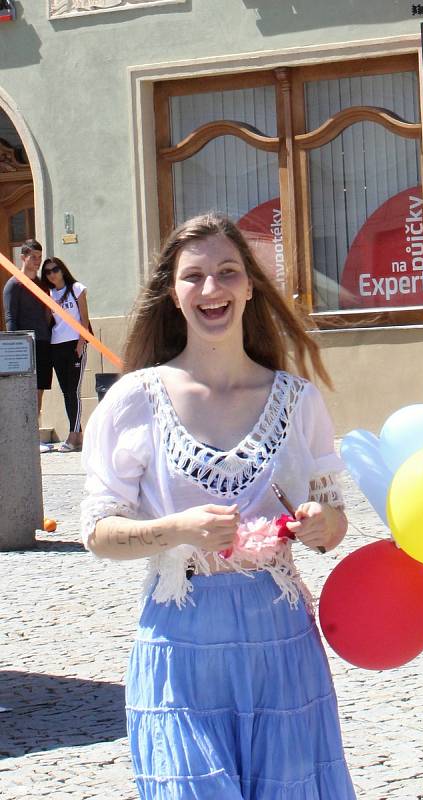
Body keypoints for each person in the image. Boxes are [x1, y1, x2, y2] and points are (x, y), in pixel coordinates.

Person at [81, 213, 356, 799]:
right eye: (194, 277)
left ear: (250, 286)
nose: (212, 290)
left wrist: (318, 524)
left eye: (227, 273)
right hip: (180, 649)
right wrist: (175, 529)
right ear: (173, 293)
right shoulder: (136, 399)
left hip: (280, 650)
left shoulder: (296, 400)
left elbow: (336, 525)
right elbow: (97, 533)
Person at [2, 239, 52, 452]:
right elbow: (11, 317)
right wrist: (17, 346)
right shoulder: (14, 285)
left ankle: (34, 435)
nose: (37, 262)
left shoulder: (42, 284)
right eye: (33, 257)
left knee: (39, 391)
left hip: (43, 342)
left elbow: (48, 312)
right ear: (23, 257)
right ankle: (24, 436)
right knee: (25, 392)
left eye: (39, 257)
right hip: (24, 347)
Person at [40, 256, 90, 452]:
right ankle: (78, 436)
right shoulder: (48, 294)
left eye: (55, 270)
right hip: (56, 345)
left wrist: (80, 343)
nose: (52, 274)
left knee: (73, 391)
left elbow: (84, 319)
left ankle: (72, 435)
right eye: (48, 272)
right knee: (66, 392)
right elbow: (48, 320)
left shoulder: (77, 288)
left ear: (62, 270)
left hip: (74, 345)